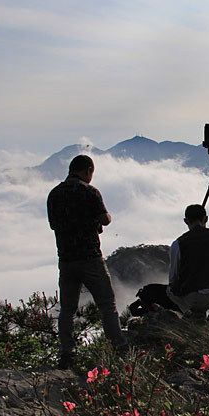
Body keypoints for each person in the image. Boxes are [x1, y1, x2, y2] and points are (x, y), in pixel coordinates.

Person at [47, 155, 126, 369]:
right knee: (107, 304)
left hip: (66, 259)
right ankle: (118, 347)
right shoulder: (89, 192)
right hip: (90, 257)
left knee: (67, 309)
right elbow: (105, 219)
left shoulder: (54, 194)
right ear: (88, 170)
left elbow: (54, 225)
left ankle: (67, 353)